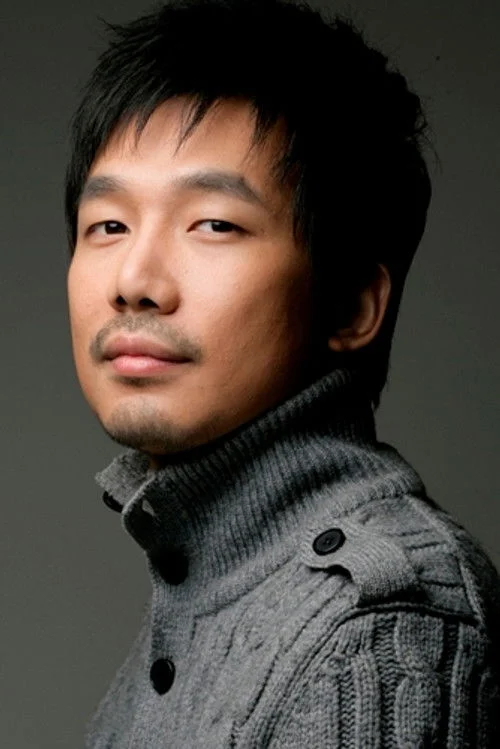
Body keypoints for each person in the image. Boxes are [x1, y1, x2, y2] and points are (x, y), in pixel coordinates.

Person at [65, 0, 500, 745]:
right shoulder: (198, 589)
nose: (134, 280)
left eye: (214, 223)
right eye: (108, 224)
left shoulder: (376, 632)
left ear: (351, 304)